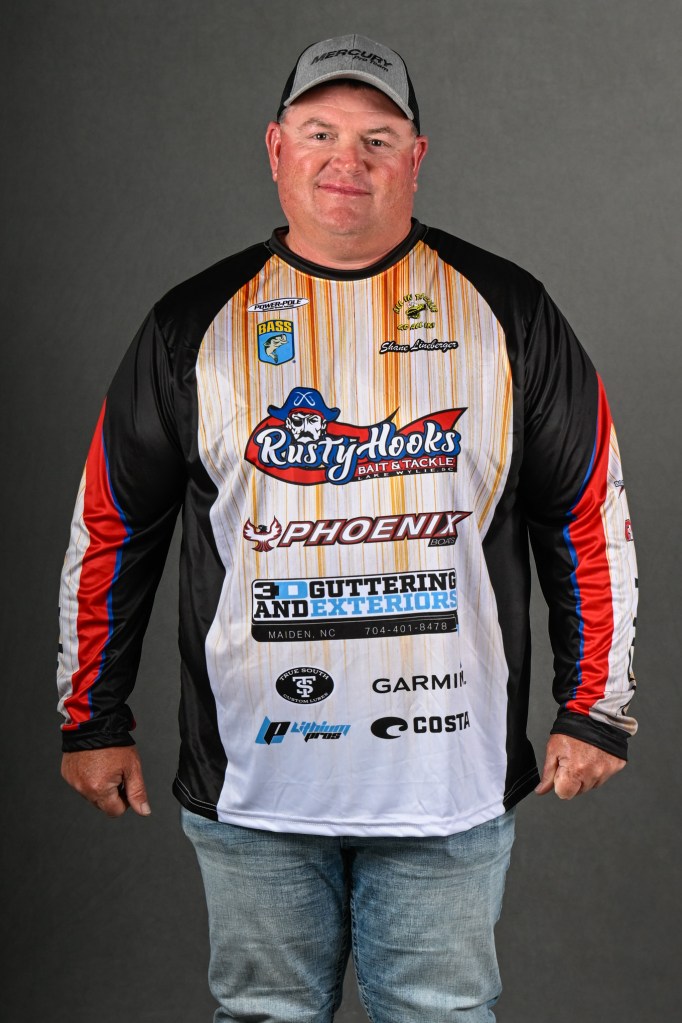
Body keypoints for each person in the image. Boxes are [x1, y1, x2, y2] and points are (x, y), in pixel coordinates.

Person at [57, 34, 638, 1023]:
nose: (347, 160)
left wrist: (595, 708)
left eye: (378, 137)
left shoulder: (509, 311)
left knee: (442, 1015)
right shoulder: (193, 324)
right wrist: (92, 717)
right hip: (253, 780)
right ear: (276, 148)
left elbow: (587, 510)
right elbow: (113, 524)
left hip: (447, 780)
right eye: (320, 132)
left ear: (417, 157)